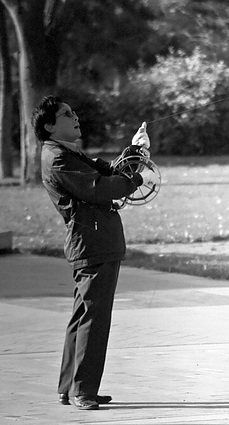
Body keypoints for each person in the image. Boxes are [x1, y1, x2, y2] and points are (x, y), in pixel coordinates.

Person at [32, 95, 155, 409]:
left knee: (84, 316)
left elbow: (108, 171)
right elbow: (99, 188)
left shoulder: (66, 152)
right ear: (49, 125)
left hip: (95, 242)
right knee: (93, 319)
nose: (74, 117)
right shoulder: (57, 157)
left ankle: (70, 386)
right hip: (93, 243)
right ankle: (83, 391)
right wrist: (136, 179)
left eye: (73, 113)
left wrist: (136, 151)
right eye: (65, 114)